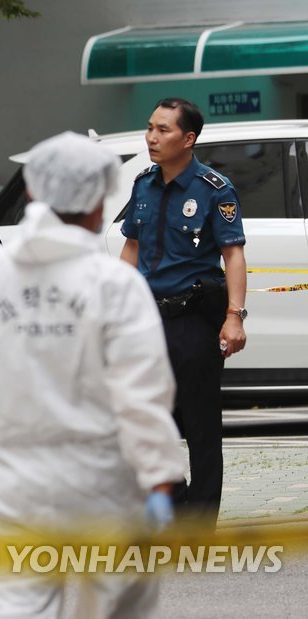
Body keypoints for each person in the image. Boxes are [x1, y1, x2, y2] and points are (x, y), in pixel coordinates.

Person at [0, 132, 188, 618]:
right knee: (116, 604)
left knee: (16, 604)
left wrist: (1, 430)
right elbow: (144, 393)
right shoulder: (116, 284)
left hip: (16, 478)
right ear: (100, 201)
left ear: (33, 190)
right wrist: (160, 477)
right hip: (104, 480)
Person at [121, 98, 247, 526]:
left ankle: (199, 524)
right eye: (150, 128)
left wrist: (234, 315)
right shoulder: (143, 184)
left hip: (193, 317)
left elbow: (233, 254)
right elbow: (132, 247)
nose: (152, 137)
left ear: (188, 138)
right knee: (145, 420)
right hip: (146, 320)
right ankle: (175, 505)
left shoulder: (214, 189)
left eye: (163, 130)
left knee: (200, 423)